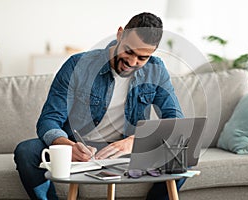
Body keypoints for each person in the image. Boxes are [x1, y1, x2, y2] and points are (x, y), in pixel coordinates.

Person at [14, 12, 185, 200]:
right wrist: (66, 145)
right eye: (128, 51)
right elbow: (49, 120)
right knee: (26, 151)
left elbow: (176, 122)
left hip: (126, 149)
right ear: (120, 34)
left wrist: (135, 141)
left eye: (142, 58)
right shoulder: (77, 65)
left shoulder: (156, 70)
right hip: (79, 147)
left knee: (183, 152)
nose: (132, 62)